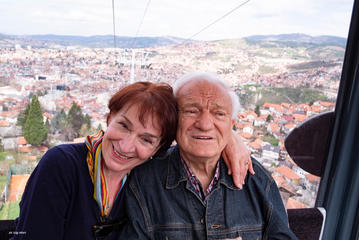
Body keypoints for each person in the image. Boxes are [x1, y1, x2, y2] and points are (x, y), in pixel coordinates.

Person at [12, 81, 251, 240]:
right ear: (109, 117)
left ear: (159, 148)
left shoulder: (149, 176)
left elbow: (195, 135)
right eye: (124, 126)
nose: (126, 146)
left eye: (146, 140)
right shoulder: (63, 165)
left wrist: (230, 138)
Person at [119, 73, 297, 239]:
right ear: (174, 119)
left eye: (219, 113)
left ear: (231, 125)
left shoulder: (257, 180)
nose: (204, 124)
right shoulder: (145, 182)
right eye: (191, 111)